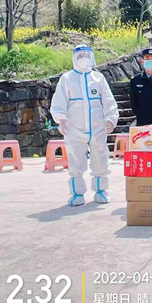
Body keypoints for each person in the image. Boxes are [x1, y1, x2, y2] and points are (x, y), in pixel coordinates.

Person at [50, 45, 119, 206]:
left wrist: (110, 118)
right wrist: (61, 120)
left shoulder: (98, 78)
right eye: (80, 56)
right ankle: (77, 194)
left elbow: (108, 101)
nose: (84, 58)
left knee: (100, 159)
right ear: (75, 58)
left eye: (86, 55)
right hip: (74, 129)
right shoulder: (67, 79)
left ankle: (101, 191)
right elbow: (59, 102)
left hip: (97, 128)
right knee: (76, 161)